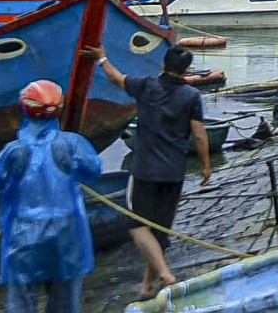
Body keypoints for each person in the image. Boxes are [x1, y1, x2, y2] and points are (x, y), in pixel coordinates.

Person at [87, 45, 211, 300]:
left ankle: (164, 274)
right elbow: (199, 134)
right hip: (174, 171)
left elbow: (116, 78)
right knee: (159, 231)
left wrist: (101, 58)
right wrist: (206, 166)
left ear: (163, 65)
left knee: (136, 226)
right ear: (187, 70)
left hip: (144, 170)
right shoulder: (191, 95)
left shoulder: (146, 86)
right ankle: (147, 286)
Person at [0, 79, 103, 313]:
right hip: (67, 232)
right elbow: (93, 172)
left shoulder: (14, 151)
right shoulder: (72, 144)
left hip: (24, 233)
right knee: (65, 299)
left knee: (22, 300)